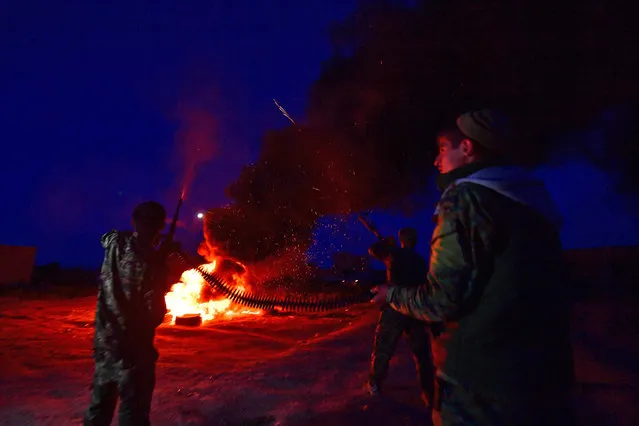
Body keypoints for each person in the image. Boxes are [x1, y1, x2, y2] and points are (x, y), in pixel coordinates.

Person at [372, 109, 575, 426]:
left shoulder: (465, 198)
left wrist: (392, 294)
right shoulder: (532, 202)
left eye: (442, 150)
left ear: (466, 148)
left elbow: (444, 299)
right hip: (543, 377)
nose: (436, 162)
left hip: (480, 382)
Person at [84, 201, 173, 426]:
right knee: (133, 414)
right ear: (159, 227)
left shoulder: (114, 241)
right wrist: (160, 261)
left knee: (99, 408)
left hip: (105, 343)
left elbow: (107, 237)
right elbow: (155, 314)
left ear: (133, 221)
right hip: (133, 352)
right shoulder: (152, 265)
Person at [366, 227, 436, 409]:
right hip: (414, 308)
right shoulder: (421, 261)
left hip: (394, 305)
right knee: (422, 354)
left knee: (384, 346)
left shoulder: (393, 252)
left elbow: (373, 250)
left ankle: (374, 383)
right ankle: (428, 391)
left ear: (401, 239)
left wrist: (387, 243)